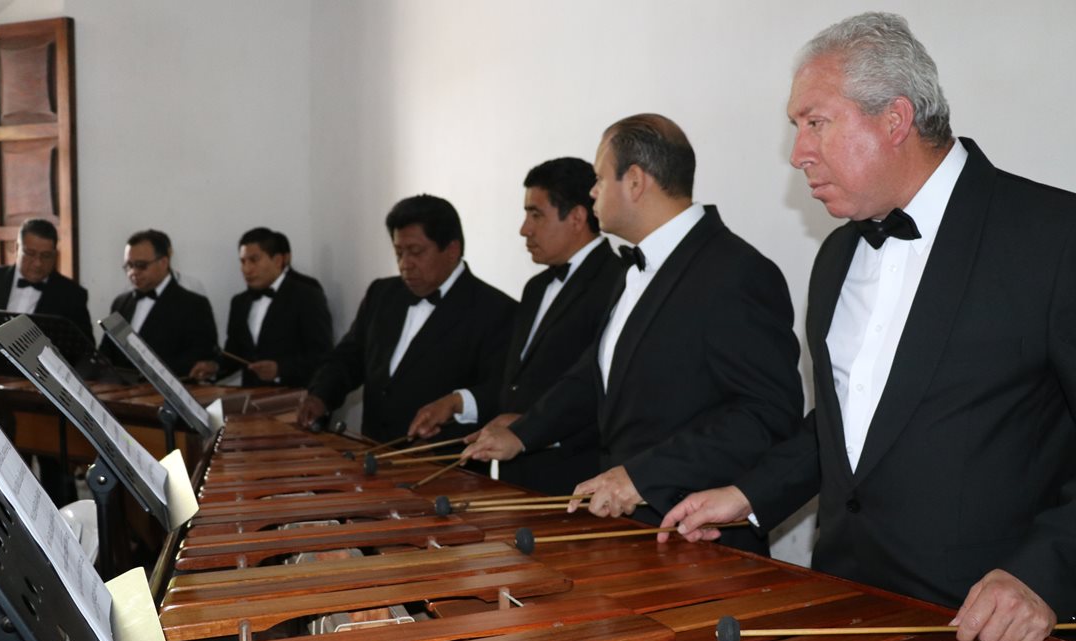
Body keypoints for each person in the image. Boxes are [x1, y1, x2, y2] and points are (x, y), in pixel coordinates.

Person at [662, 12, 1076, 641]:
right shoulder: (836, 255)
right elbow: (851, 420)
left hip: (997, 636)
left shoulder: (1061, 237)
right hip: (846, 610)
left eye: (815, 122)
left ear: (895, 119)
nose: (798, 153)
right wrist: (749, 493)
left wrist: (1043, 575)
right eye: (796, 127)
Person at [465, 114, 802, 545]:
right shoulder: (632, 270)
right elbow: (596, 375)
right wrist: (522, 433)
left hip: (697, 536)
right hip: (628, 530)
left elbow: (766, 415)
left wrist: (643, 476)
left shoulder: (737, 272)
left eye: (600, 178)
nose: (592, 191)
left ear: (636, 182)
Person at [297, 195, 516, 443]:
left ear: (452, 250)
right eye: (398, 252)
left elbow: (498, 392)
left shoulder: (496, 310)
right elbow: (349, 358)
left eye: (416, 252)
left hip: (442, 460)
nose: (404, 264)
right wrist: (321, 395)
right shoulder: (382, 294)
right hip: (372, 451)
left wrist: (455, 403)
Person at [489, 157, 625, 495]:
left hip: (575, 481)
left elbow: (605, 391)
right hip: (516, 476)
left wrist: (531, 429)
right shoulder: (535, 288)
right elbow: (519, 382)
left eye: (536, 215)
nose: (524, 229)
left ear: (577, 217)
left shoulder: (619, 282)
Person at [189, 227, 332, 387]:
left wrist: (280, 370)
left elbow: (322, 355)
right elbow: (234, 354)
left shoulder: (307, 295)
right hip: (251, 398)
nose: (246, 269)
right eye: (243, 261)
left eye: (254, 260)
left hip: (295, 397)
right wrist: (214, 367)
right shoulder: (239, 302)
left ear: (277, 260)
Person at [99, 229, 217, 377]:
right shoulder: (120, 303)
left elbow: (199, 357)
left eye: (141, 265)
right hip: (122, 389)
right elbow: (107, 352)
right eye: (129, 265)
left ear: (163, 262)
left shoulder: (194, 305)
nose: (133, 272)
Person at [0, 217, 92, 340]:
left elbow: (85, 348)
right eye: (30, 253)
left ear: (55, 255)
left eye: (46, 256)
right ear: (17, 248)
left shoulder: (73, 295)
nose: (38, 263)